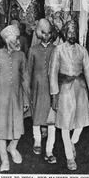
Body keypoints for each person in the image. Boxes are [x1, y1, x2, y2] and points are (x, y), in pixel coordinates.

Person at [49, 20, 89, 170]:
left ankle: (73, 141)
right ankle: (70, 157)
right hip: (64, 90)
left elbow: (88, 72)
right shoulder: (58, 50)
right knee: (65, 125)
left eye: (74, 32)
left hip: (80, 89)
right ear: (64, 33)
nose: (72, 35)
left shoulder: (83, 51)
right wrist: (54, 96)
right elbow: (52, 74)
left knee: (82, 122)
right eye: (69, 32)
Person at [0, 25, 30, 172]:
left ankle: (13, 148)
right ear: (6, 40)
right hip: (0, 98)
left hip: (17, 98)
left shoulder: (21, 55)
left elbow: (25, 78)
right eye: (14, 39)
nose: (17, 41)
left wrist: (27, 99)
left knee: (18, 127)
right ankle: (4, 159)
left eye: (18, 38)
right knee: (1, 128)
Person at [28, 19, 57, 163]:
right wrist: (27, 91)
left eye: (49, 33)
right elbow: (28, 71)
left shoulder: (56, 49)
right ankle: (37, 142)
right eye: (44, 33)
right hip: (37, 89)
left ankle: (49, 150)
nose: (46, 36)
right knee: (37, 117)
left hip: (52, 90)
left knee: (52, 120)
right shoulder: (33, 50)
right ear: (39, 34)